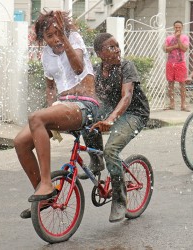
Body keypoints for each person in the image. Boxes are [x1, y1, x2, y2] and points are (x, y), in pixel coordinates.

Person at [14, 10, 100, 219]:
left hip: (85, 106)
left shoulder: (74, 39)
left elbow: (79, 68)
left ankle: (46, 183)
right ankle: (45, 195)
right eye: (49, 36)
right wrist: (51, 108)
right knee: (20, 142)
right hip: (63, 107)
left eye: (57, 33)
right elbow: (50, 88)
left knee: (36, 117)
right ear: (43, 38)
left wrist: (65, 37)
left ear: (64, 30)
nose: (55, 40)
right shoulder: (46, 55)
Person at [80, 33, 150, 223]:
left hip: (134, 113)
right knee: (86, 119)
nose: (117, 50)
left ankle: (120, 199)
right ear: (100, 53)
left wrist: (110, 119)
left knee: (111, 150)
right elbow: (87, 97)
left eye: (117, 46)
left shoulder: (126, 66)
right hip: (112, 111)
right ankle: (96, 160)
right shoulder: (94, 71)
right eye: (111, 47)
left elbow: (126, 97)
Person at [163, 20, 190, 111]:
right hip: (170, 63)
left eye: (179, 27)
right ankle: (172, 104)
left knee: (182, 84)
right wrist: (175, 46)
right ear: (173, 27)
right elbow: (165, 49)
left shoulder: (185, 37)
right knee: (170, 83)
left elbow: (184, 49)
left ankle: (183, 105)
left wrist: (178, 39)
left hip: (180, 63)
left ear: (182, 28)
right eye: (176, 27)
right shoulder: (169, 38)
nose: (177, 29)